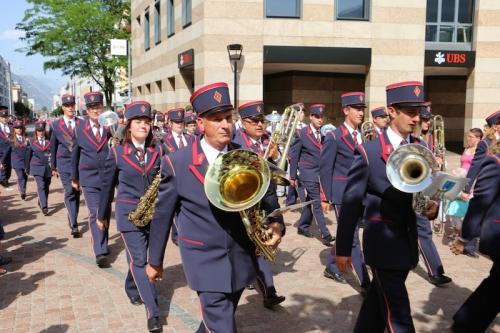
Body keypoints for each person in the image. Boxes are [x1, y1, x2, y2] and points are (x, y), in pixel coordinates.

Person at [147, 82, 283, 333]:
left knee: (219, 318)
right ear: (200, 123)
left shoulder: (245, 155)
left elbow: (268, 194)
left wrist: (277, 224)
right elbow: (162, 216)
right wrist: (154, 261)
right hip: (204, 260)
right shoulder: (177, 162)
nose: (225, 125)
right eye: (217, 119)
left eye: (228, 118)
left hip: (241, 256)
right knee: (222, 325)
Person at [335, 81, 439, 332]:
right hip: (382, 246)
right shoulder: (368, 151)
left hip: (406, 241)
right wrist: (342, 248)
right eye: (410, 112)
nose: (416, 118)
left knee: (376, 309)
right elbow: (350, 204)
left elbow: (425, 194)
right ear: (392, 111)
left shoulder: (421, 149)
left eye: (419, 113)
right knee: (399, 316)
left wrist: (432, 208)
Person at [97, 101, 163, 333]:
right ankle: (153, 312)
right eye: (138, 122)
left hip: (152, 214)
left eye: (147, 122)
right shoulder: (116, 152)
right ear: (129, 125)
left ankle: (131, 286)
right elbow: (106, 188)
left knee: (139, 261)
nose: (143, 126)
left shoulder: (158, 151)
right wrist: (102, 216)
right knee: (140, 260)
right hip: (128, 214)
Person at [233, 100, 286, 308]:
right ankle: (268, 292)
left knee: (261, 247)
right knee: (254, 249)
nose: (259, 125)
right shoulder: (236, 143)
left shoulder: (268, 140)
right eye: (254, 122)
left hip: (269, 200)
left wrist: (277, 156)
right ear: (243, 122)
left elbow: (281, 170)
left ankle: (267, 291)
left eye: (261, 121)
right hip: (248, 204)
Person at [320, 92, 370, 290]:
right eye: (357, 109)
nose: (361, 113)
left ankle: (332, 266)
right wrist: (326, 196)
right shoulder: (334, 136)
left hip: (361, 193)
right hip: (342, 194)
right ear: (346, 110)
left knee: (347, 235)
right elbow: (325, 169)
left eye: (362, 110)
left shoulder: (363, 136)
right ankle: (365, 282)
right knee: (354, 238)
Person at [449, 140, 500, 333]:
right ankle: (464, 324)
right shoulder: (495, 162)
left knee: (496, 284)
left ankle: (464, 323)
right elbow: (480, 203)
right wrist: (465, 237)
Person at [71, 91, 111, 267]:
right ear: (87, 110)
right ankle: (100, 251)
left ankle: (104, 241)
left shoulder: (110, 126)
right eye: (92, 108)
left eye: (98, 107)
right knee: (95, 212)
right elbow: (75, 154)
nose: (95, 111)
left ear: (102, 108)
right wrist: (75, 178)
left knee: (106, 211)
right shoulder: (79, 128)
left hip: (108, 177)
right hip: (89, 177)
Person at [289, 104, 335, 246]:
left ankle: (302, 226)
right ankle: (325, 234)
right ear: (311, 117)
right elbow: (294, 155)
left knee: (309, 202)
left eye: (322, 117)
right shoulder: (301, 133)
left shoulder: (323, 134)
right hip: (307, 174)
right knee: (316, 203)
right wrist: (292, 176)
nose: (320, 119)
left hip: (318, 174)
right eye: (317, 117)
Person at [50, 94, 82, 238]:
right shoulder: (55, 125)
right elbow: (53, 146)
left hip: (80, 164)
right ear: (63, 107)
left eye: (72, 105)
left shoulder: (81, 123)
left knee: (75, 193)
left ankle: (73, 216)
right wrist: (53, 166)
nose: (70, 108)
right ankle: (74, 223)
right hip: (64, 163)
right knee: (69, 191)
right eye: (67, 105)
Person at [447, 128, 483, 255]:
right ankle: (460, 236)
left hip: (473, 182)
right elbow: (462, 163)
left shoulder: (480, 151)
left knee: (470, 210)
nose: (469, 139)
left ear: (478, 138)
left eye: (471, 137)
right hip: (462, 179)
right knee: (458, 208)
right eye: (468, 136)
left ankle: (470, 244)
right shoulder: (467, 148)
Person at [27, 121, 53, 216]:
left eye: (42, 130)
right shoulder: (31, 142)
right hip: (37, 167)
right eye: (39, 131)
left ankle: (41, 200)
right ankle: (44, 206)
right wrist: (27, 168)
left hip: (48, 168)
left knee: (46, 186)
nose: (41, 133)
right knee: (41, 186)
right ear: (36, 132)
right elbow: (28, 156)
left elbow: (53, 154)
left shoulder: (49, 141)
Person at [10, 120, 30, 200]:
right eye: (17, 128)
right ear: (14, 129)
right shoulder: (11, 139)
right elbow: (7, 151)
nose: (19, 129)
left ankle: (22, 189)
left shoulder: (26, 138)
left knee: (25, 177)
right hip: (17, 161)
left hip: (25, 161)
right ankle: (23, 192)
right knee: (21, 176)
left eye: (20, 128)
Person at [0, 107, 12, 187]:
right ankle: (2, 180)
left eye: (6, 117)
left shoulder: (11, 126)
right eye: (2, 117)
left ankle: (6, 178)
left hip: (11, 151)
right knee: (2, 165)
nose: (4, 119)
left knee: (9, 167)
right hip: (1, 150)